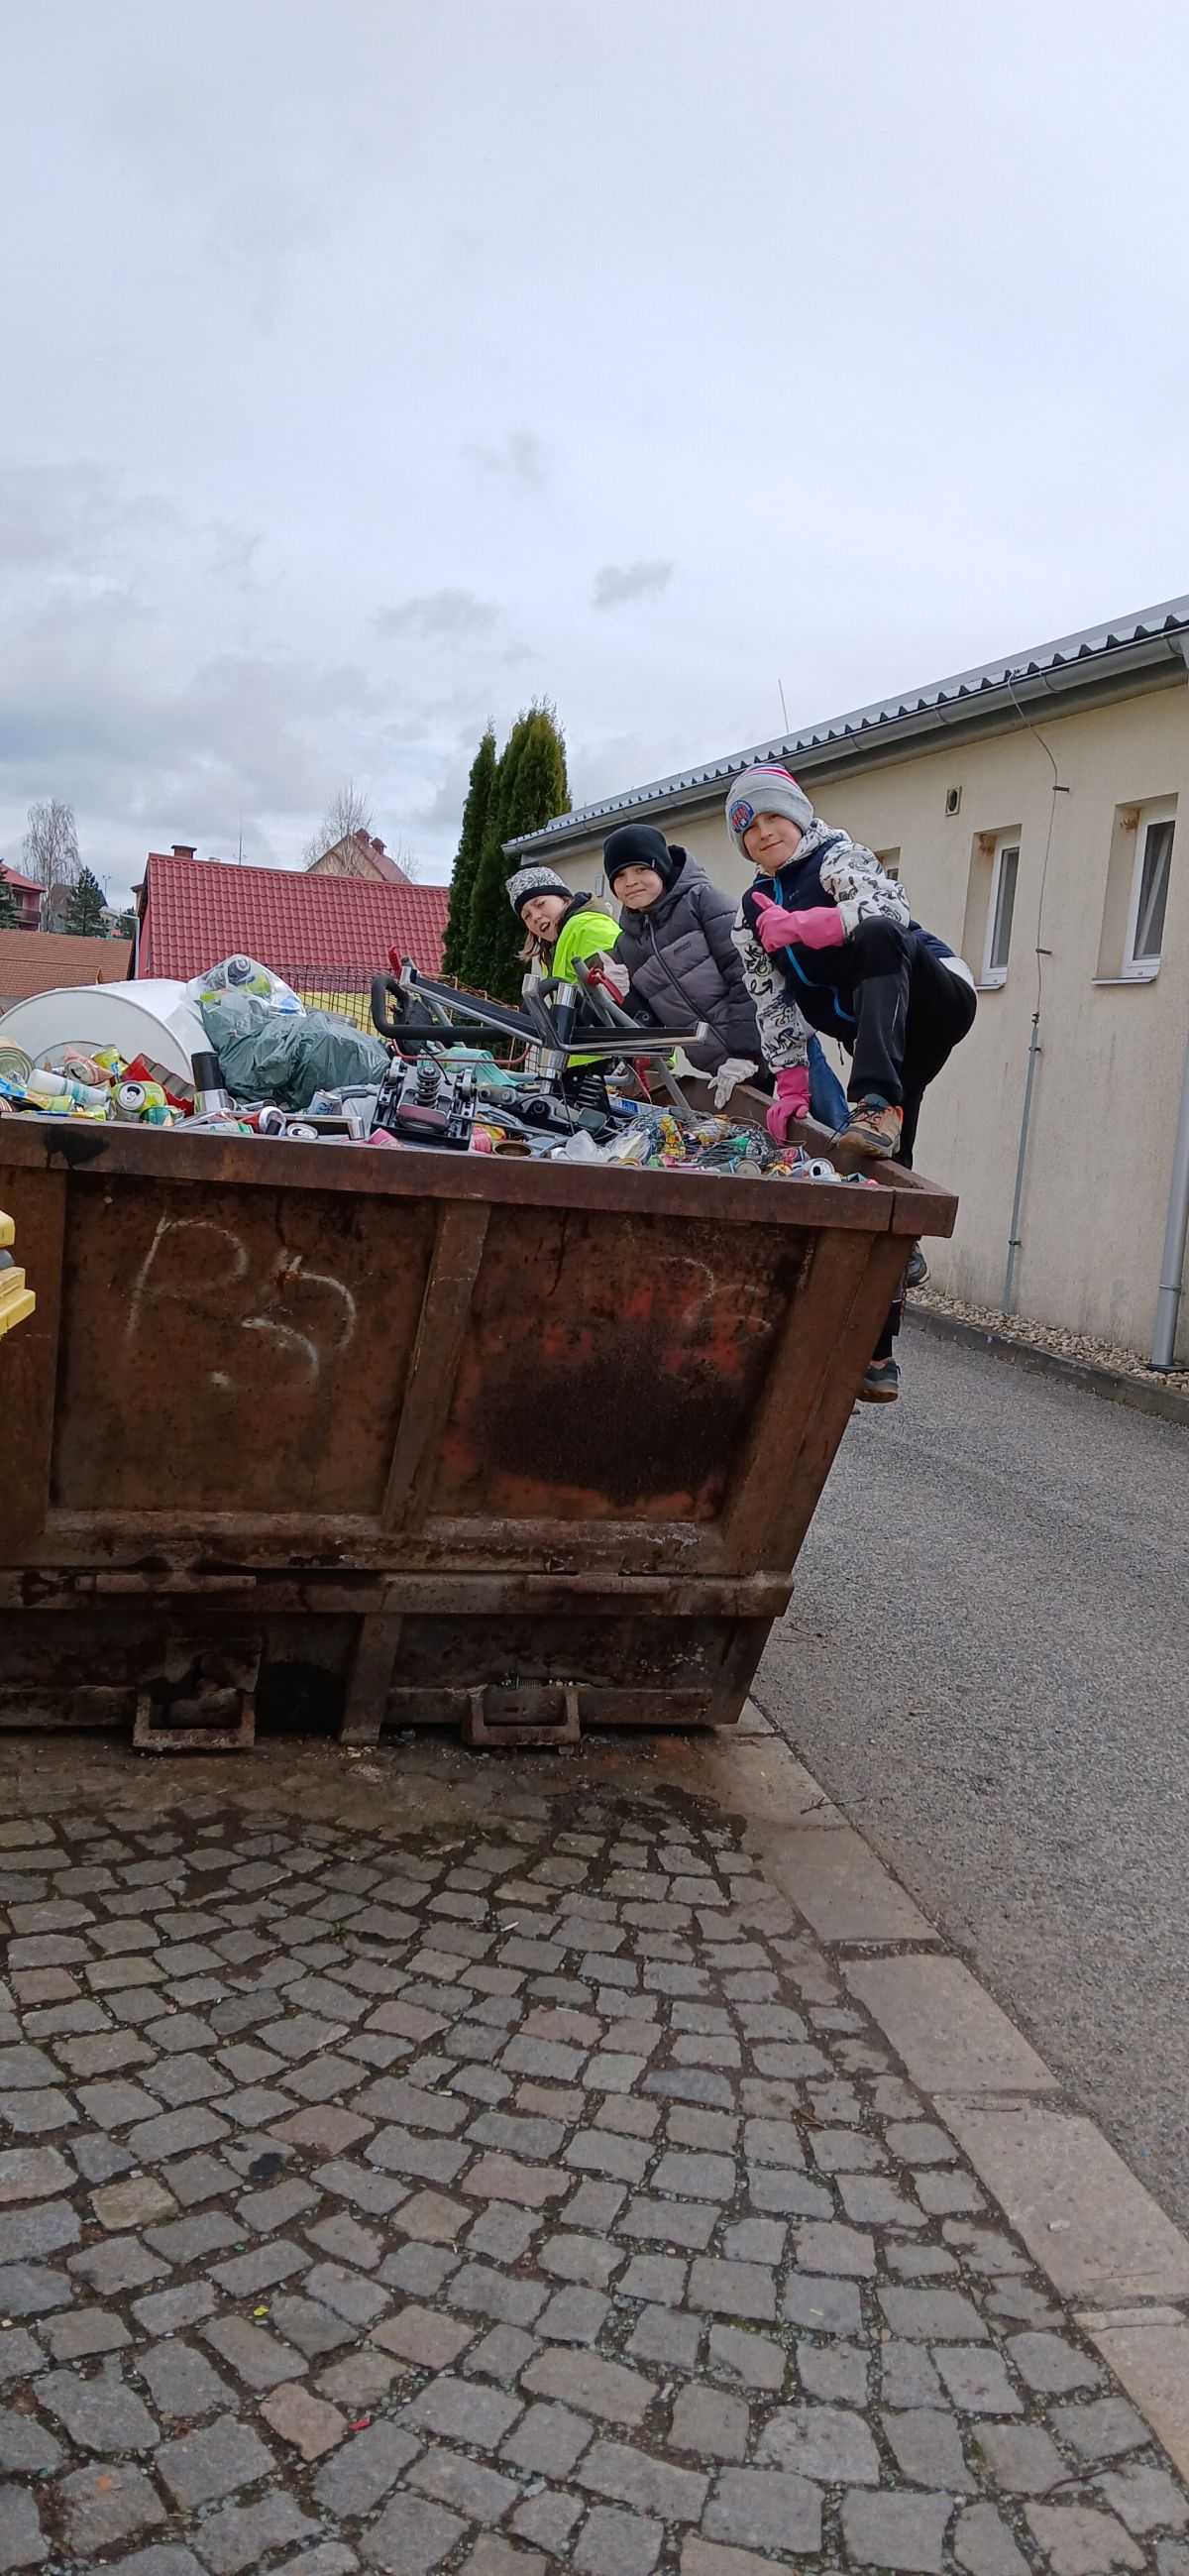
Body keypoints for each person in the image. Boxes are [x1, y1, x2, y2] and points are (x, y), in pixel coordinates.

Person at [727, 761, 976, 1401]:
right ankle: (878, 1354)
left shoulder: (836, 855)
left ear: (798, 816)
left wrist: (805, 926)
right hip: (880, 1032)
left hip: (934, 994)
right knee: (879, 1172)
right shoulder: (748, 914)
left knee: (879, 933)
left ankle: (877, 1101)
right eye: (749, 828)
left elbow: (887, 910)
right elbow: (771, 1002)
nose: (765, 832)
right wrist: (789, 1084)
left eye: (774, 817)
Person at [603, 819, 850, 1124]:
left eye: (641, 869)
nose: (631, 882)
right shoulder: (626, 945)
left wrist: (745, 1051)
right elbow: (653, 1022)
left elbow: (746, 972)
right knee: (762, 1137)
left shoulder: (701, 900)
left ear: (662, 869)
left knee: (828, 1124)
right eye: (620, 875)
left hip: (780, 1039)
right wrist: (620, 996)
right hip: (724, 1068)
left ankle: (862, 1154)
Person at [505, 864, 624, 1102]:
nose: (535, 917)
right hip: (584, 1060)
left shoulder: (587, 926)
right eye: (526, 916)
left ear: (564, 898)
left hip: (609, 1061)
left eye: (540, 904)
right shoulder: (558, 944)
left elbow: (617, 990)